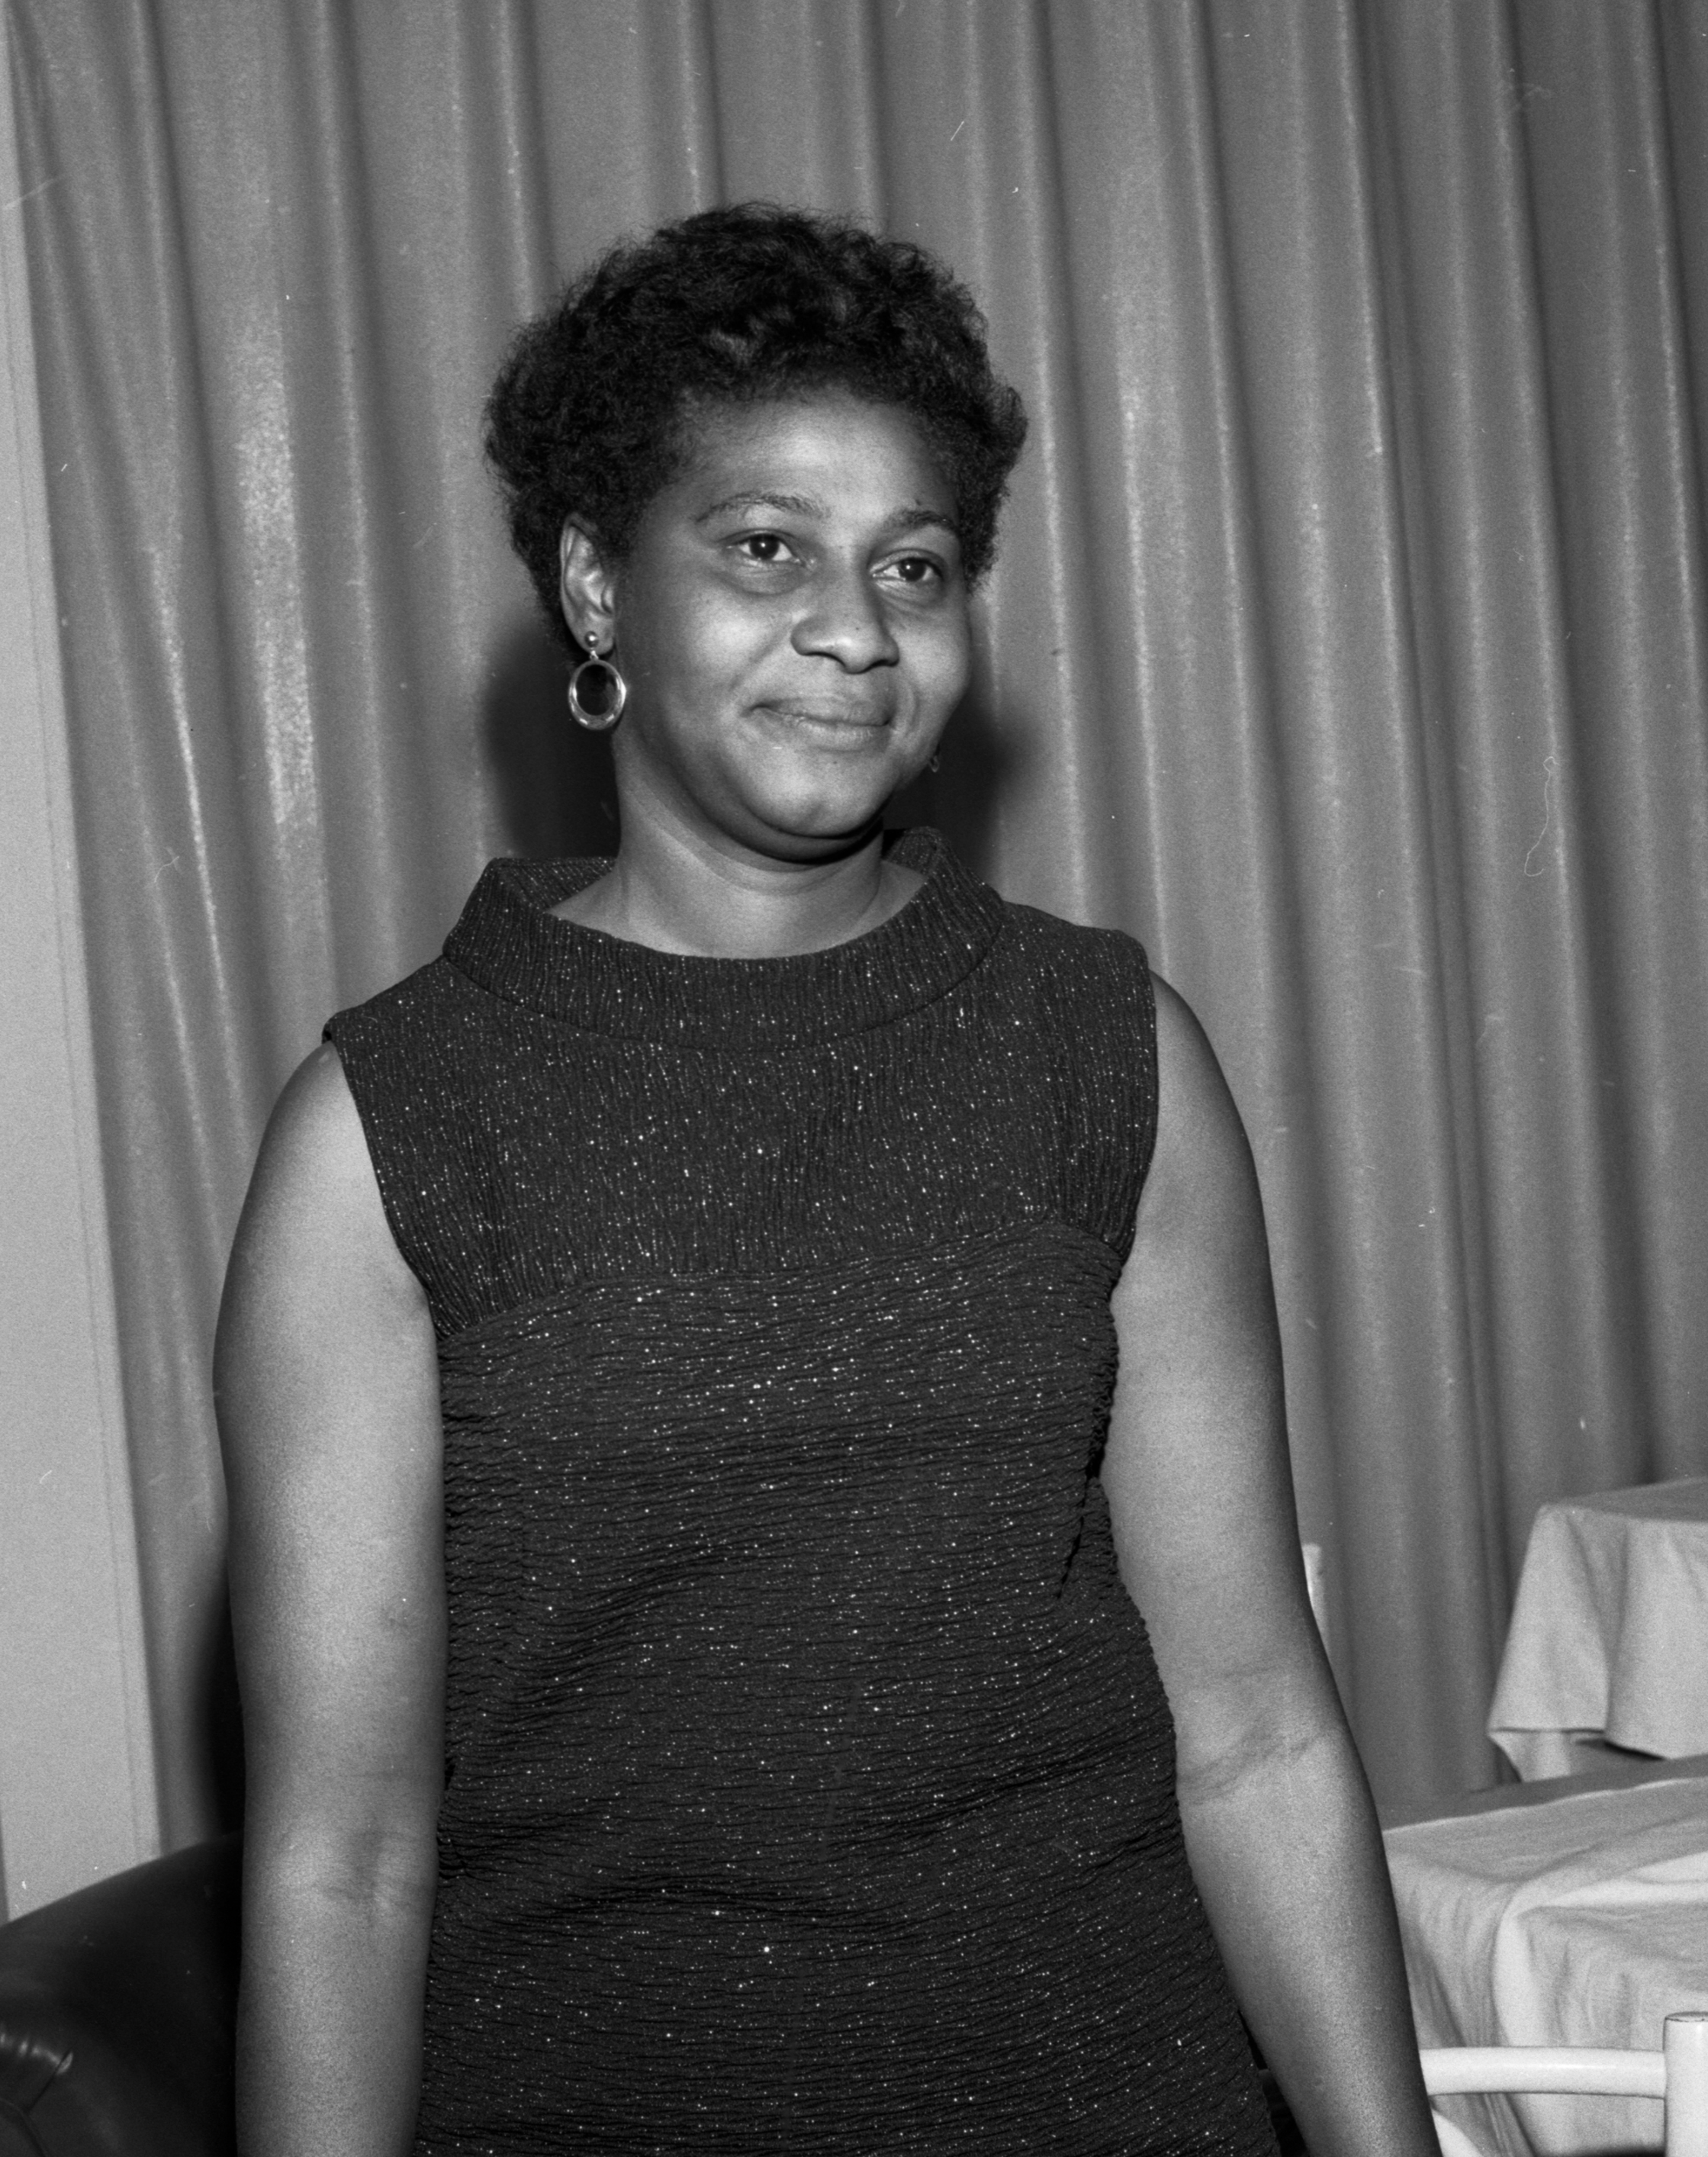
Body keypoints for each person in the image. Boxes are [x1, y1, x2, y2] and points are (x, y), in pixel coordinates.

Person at [216, 204, 1440, 2157]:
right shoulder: (389, 1127)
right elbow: (341, 1863)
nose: (857, 629)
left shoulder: (1103, 1050)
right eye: (767, 547)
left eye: (916, 566)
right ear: (597, 582)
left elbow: (1258, 1732)